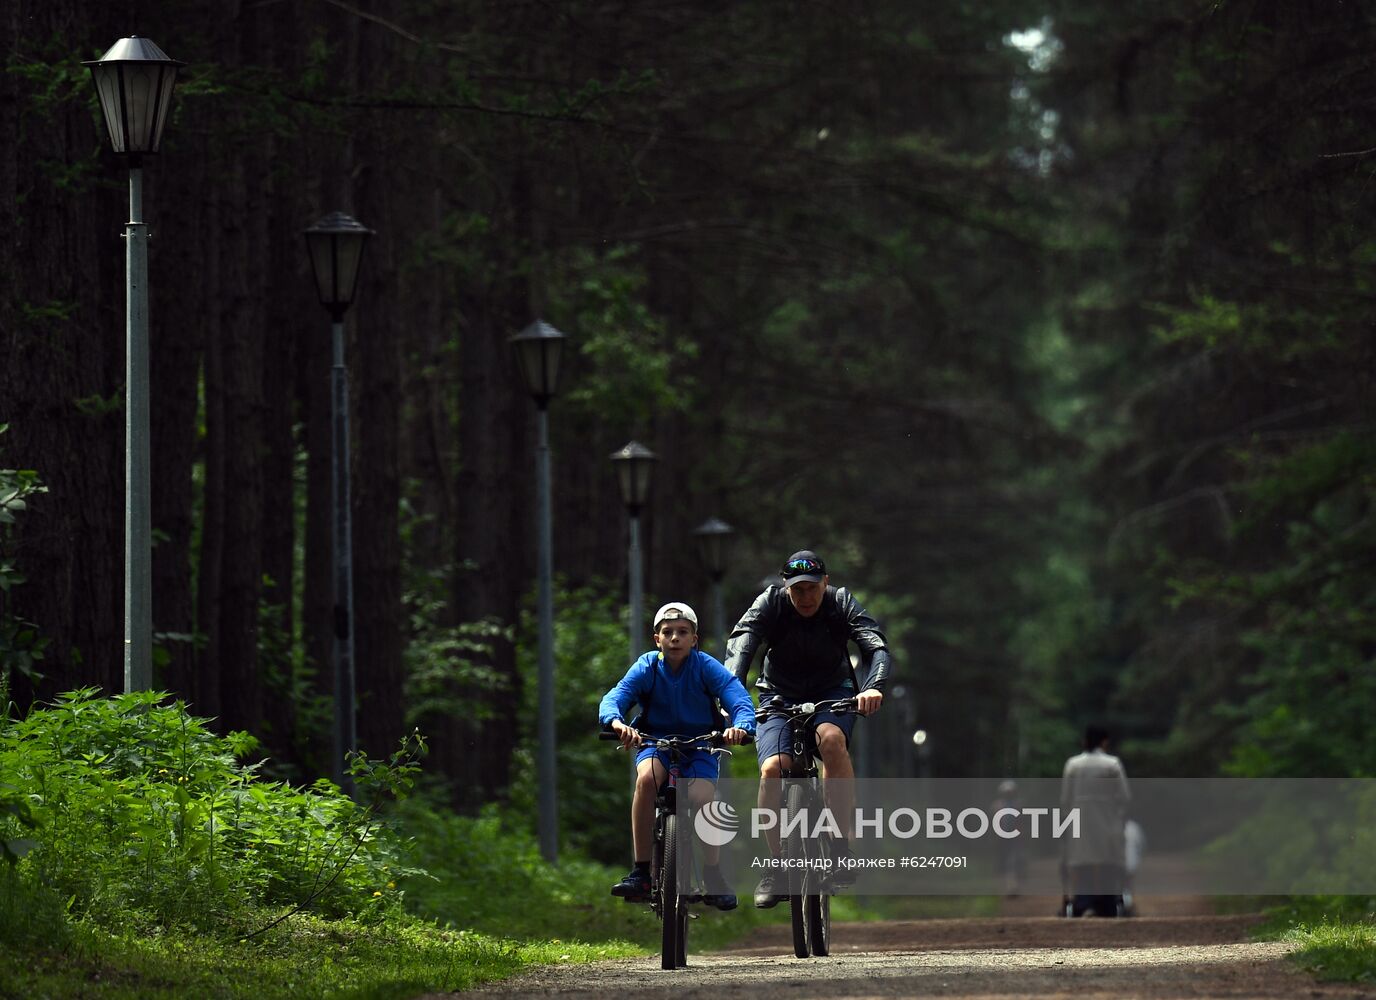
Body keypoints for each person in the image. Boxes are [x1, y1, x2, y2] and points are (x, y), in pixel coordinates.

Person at [723, 549, 892, 908]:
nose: (805, 597)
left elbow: (875, 645)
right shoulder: (770, 603)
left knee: (831, 742)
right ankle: (778, 868)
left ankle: (840, 847)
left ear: (825, 583)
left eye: (812, 588)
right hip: (778, 696)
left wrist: (873, 685)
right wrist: (732, 695)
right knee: (772, 769)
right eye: (797, 590)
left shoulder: (840, 602)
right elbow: (741, 646)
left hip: (834, 693)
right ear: (786, 588)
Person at [599, 601, 756, 910]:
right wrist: (617, 723)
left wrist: (741, 727)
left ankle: (712, 875)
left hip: (700, 746)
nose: (675, 638)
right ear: (656, 638)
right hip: (653, 742)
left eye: (682, 632)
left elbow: (737, 696)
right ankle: (641, 871)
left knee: (703, 797)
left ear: (694, 639)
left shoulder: (706, 666)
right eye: (667, 632)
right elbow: (616, 696)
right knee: (646, 781)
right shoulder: (647, 665)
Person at [1059, 724, 1131, 917]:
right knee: (1108, 862)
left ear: (1085, 741)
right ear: (1104, 742)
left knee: (1082, 863)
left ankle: (1083, 903)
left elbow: (1065, 799)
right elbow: (1124, 797)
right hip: (1107, 822)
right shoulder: (1112, 764)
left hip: (1079, 822)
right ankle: (1107, 903)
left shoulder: (1073, 765)